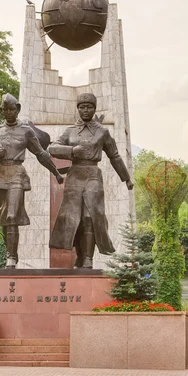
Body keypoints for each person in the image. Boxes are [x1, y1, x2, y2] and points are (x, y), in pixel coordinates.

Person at [49, 92, 133, 269]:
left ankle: (88, 257)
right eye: (82, 107)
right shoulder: (70, 131)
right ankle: (79, 255)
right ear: (78, 109)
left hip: (93, 175)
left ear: (94, 109)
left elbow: (115, 156)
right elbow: (52, 148)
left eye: (89, 107)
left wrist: (126, 178)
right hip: (75, 175)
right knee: (75, 218)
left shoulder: (102, 132)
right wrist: (71, 152)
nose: (85, 110)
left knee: (90, 216)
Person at [0, 93, 63, 268]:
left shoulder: (26, 130)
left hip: (17, 173)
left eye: (12, 109)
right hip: (0, 175)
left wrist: (55, 172)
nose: (9, 112)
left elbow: (41, 153)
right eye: (6, 110)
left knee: (12, 215)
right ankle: (11, 254)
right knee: (5, 218)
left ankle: (11, 257)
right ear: (2, 111)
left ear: (17, 109)